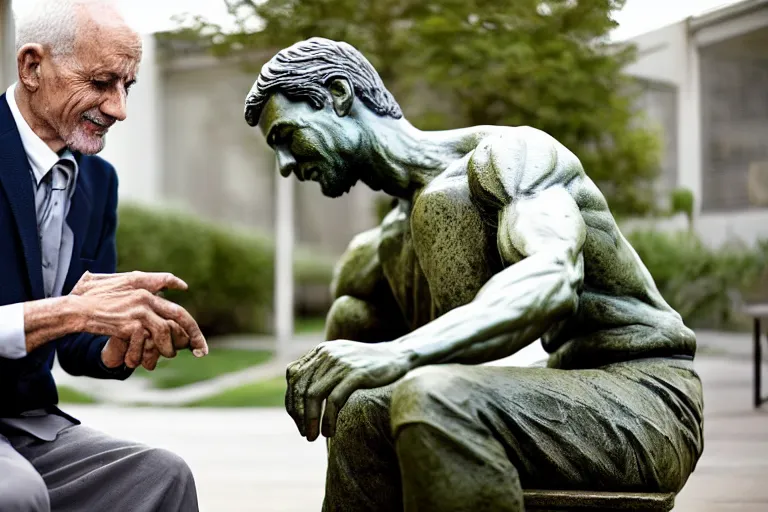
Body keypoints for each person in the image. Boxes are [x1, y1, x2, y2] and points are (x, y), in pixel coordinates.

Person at [244, 38, 705, 511]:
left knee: (434, 398)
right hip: (561, 390)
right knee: (362, 413)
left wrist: (395, 355)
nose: (284, 166)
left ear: (340, 95)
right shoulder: (387, 243)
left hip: (644, 398)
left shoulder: (511, 157)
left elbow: (552, 277)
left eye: (285, 136)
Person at [0, 1, 206, 510]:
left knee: (164, 475)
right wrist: (71, 310)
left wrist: (122, 340)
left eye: (126, 86)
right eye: (99, 83)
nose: (118, 109)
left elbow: (78, 350)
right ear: (32, 67)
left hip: (25, 424)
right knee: (17, 493)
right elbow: (72, 314)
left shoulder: (98, 181)